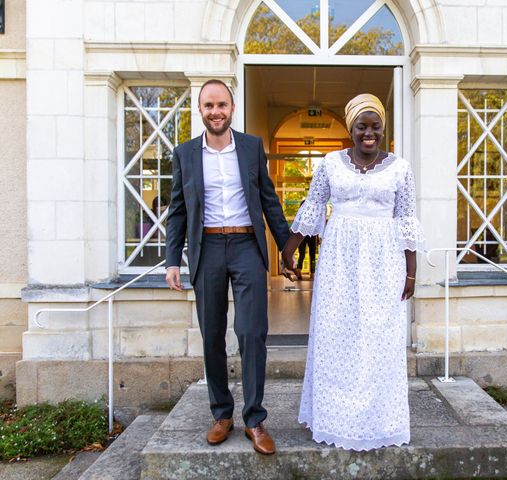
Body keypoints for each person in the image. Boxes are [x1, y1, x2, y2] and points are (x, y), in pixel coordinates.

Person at [282, 93, 426, 450]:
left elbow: (405, 219)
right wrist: (289, 250)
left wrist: (411, 272)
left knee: (379, 340)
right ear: (351, 129)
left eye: (375, 126)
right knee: (336, 334)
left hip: (383, 260)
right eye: (362, 126)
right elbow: (314, 207)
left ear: (382, 128)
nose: (369, 133)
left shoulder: (400, 168)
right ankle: (335, 418)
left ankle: (378, 421)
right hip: (339, 260)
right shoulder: (330, 163)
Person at [165, 79, 291, 455]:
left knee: (252, 332)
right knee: (212, 335)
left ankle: (255, 419)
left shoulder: (252, 148)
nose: (215, 111)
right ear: (200, 111)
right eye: (208, 106)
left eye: (222, 105)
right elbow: (178, 211)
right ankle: (222, 414)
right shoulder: (185, 154)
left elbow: (269, 201)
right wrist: (173, 260)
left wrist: (287, 248)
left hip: (246, 247)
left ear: (231, 109)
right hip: (207, 249)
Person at [293, 199, 318, 279]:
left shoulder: (313, 213)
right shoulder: (300, 215)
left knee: (311, 254)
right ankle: (299, 271)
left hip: (311, 235)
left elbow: (316, 225)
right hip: (302, 235)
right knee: (302, 253)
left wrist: (317, 236)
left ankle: (312, 273)